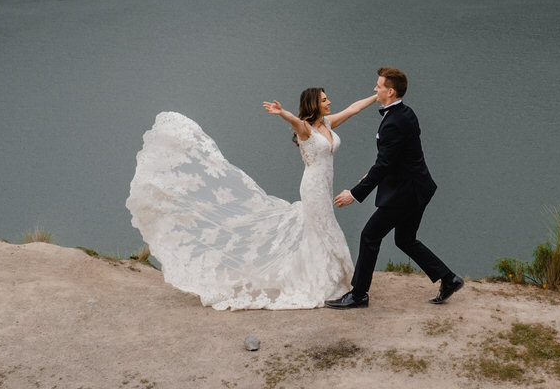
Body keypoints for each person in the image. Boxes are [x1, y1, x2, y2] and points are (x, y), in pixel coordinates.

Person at [125, 87, 376, 310]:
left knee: (321, 230)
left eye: (327, 99)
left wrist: (376, 96)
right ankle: (324, 283)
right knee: (323, 229)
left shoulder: (328, 123)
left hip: (325, 187)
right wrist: (282, 112)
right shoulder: (306, 129)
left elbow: (352, 109)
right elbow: (294, 121)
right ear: (313, 104)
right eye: (324, 100)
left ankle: (331, 280)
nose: (329, 102)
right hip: (312, 189)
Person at [327, 67, 463, 308]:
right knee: (405, 239)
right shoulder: (405, 113)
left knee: (369, 235)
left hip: (405, 193)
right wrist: (374, 173)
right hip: (418, 187)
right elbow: (395, 157)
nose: (375, 89)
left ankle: (358, 294)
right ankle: (449, 279)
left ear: (390, 92)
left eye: (379, 86)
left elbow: (385, 163)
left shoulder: (393, 122)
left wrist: (354, 194)